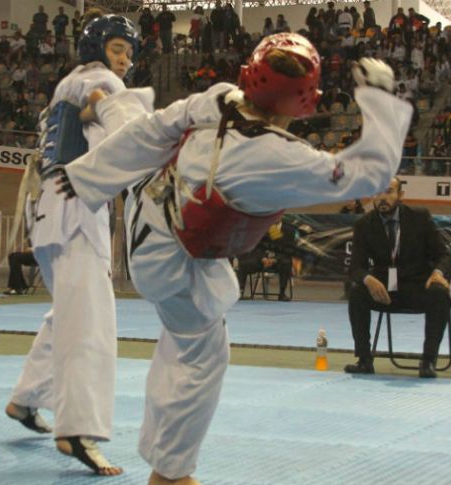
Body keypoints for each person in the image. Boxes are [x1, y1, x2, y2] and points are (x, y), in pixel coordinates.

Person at [57, 33, 411, 485]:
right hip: (173, 264)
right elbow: (372, 174)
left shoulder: (219, 98)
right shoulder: (275, 158)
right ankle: (171, 474)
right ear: (304, 99)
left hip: (148, 207)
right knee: (203, 353)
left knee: (140, 119)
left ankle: (108, 104)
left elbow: (151, 132)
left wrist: (88, 176)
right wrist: (380, 98)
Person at [5, 11, 145, 477]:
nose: (124, 60)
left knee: (67, 312)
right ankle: (78, 430)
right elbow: (125, 135)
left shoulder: (67, 83)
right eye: (118, 48)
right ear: (98, 47)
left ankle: (26, 398)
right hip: (76, 208)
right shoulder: (102, 80)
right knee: (91, 322)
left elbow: (77, 126)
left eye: (129, 52)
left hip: (50, 210)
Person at [345, 177, 451, 378]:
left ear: (400, 195)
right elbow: (356, 267)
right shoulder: (364, 224)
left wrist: (437, 274)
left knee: (439, 294)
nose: (382, 198)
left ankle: (428, 360)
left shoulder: (419, 217)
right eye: (378, 193)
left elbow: (444, 253)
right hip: (384, 289)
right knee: (357, 292)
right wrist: (368, 279)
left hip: (416, 286)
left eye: (388, 191)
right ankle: (364, 360)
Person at [236, 221, 295, 301]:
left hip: (279, 260)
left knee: (286, 263)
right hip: (262, 260)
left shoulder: (289, 230)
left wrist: (275, 259)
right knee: (244, 263)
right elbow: (257, 246)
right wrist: (263, 258)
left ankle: (282, 293)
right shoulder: (263, 226)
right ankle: (240, 291)